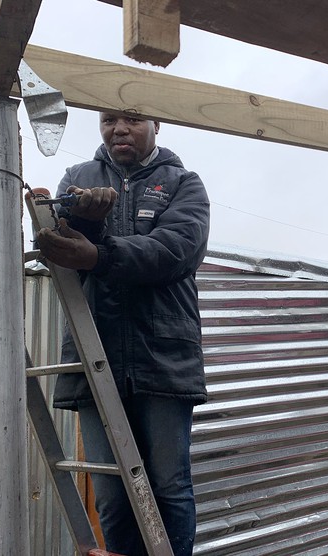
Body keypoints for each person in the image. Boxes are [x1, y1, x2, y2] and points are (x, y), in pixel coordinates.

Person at [36, 112, 210, 556]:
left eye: (132, 120)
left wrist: (98, 252)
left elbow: (175, 251)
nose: (119, 129)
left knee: (169, 485)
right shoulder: (78, 178)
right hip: (96, 358)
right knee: (113, 494)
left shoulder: (183, 183)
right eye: (109, 119)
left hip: (164, 357)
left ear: (157, 124)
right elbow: (61, 246)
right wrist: (84, 228)